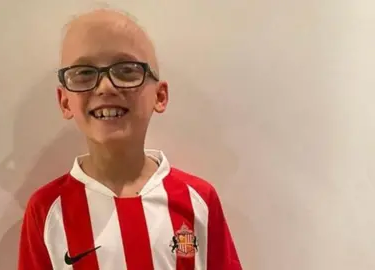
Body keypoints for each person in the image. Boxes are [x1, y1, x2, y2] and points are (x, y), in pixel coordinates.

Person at [18, 7, 242, 270]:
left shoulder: (199, 200)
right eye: (84, 73)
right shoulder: (46, 211)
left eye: (126, 70)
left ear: (160, 96)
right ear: (64, 101)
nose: (106, 87)